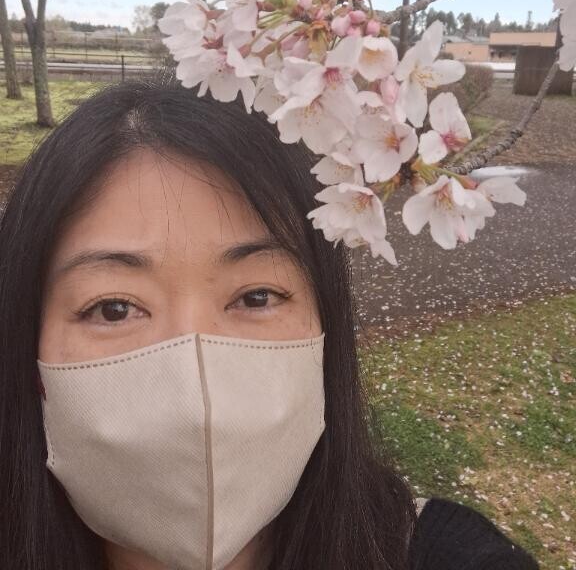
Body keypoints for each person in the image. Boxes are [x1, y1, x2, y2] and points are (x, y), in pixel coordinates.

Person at [0, 76, 540, 570]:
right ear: (27, 340)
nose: (194, 398)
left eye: (257, 297)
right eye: (113, 308)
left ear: (325, 324)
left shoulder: (441, 554)